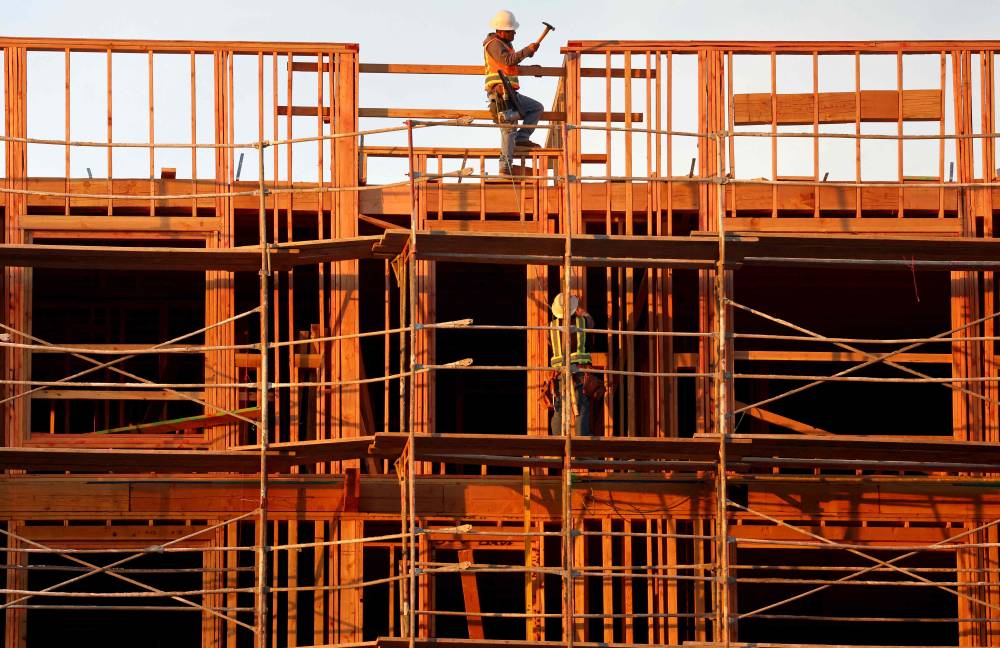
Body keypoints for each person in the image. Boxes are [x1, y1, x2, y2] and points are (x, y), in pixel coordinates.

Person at [483, 10, 545, 174]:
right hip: (500, 92)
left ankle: (522, 139)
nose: (514, 33)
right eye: (511, 31)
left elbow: (510, 66)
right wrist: (527, 50)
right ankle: (505, 166)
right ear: (501, 31)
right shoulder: (494, 44)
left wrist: (530, 66)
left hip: (511, 93)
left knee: (536, 108)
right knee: (508, 128)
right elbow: (507, 61)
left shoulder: (506, 45)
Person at [544, 292, 602, 436]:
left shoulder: (550, 327)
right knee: (581, 410)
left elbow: (551, 343)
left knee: (559, 409)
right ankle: (582, 451)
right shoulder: (582, 321)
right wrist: (579, 308)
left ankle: (557, 446)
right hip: (579, 372)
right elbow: (591, 321)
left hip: (559, 373)